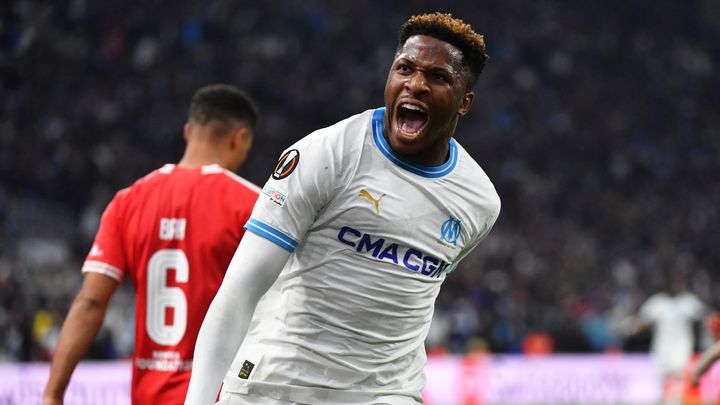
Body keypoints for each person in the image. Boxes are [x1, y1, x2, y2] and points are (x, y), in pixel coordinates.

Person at [185, 12, 501, 405]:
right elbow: (238, 291)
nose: (415, 84)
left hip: (386, 394)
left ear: (464, 102)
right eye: (405, 68)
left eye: (437, 77)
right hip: (276, 388)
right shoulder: (326, 155)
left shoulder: (480, 202)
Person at [41, 84, 260, 405]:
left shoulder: (127, 201)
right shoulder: (253, 205)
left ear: (188, 131)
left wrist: (52, 394)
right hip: (219, 396)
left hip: (148, 396)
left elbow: (90, 302)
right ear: (238, 138)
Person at [631, 274, 706, 405]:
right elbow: (642, 322)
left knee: (681, 380)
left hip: (682, 349)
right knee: (662, 380)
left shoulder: (688, 302)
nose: (675, 286)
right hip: (662, 349)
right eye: (673, 283)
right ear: (666, 285)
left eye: (678, 283)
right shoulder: (657, 303)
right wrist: (636, 327)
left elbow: (705, 317)